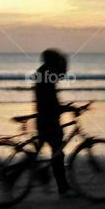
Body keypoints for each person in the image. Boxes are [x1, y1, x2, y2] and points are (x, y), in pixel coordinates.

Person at [33, 48, 77, 195]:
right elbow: (50, 103)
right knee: (57, 155)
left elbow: (50, 101)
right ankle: (62, 188)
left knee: (46, 153)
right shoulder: (46, 76)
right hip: (48, 121)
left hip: (44, 119)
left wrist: (64, 108)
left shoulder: (44, 73)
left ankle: (47, 177)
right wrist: (67, 108)